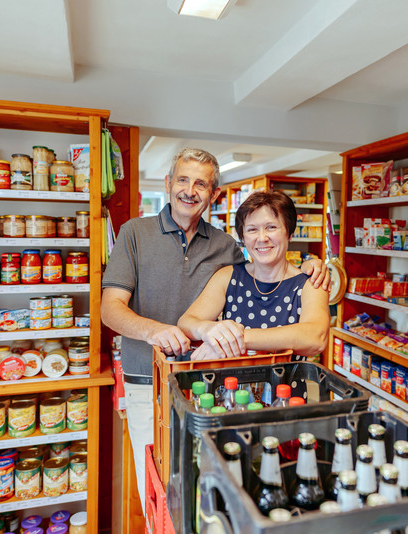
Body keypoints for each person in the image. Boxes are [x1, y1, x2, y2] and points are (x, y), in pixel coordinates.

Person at [100, 148, 328, 507]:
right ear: (168, 183)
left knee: (210, 483)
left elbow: (267, 271)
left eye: (202, 184)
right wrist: (153, 331)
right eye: (183, 180)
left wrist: (319, 264)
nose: (190, 190)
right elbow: (110, 309)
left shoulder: (226, 247)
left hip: (212, 385)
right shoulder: (134, 232)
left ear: (214, 195)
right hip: (147, 376)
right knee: (156, 482)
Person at [178, 190, 330, 360]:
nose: (262, 238)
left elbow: (316, 338)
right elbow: (186, 322)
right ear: (242, 237)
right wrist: (207, 330)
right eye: (252, 230)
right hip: (231, 386)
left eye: (271, 227)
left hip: (286, 385)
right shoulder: (228, 277)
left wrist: (233, 339)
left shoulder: (311, 282)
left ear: (290, 234)